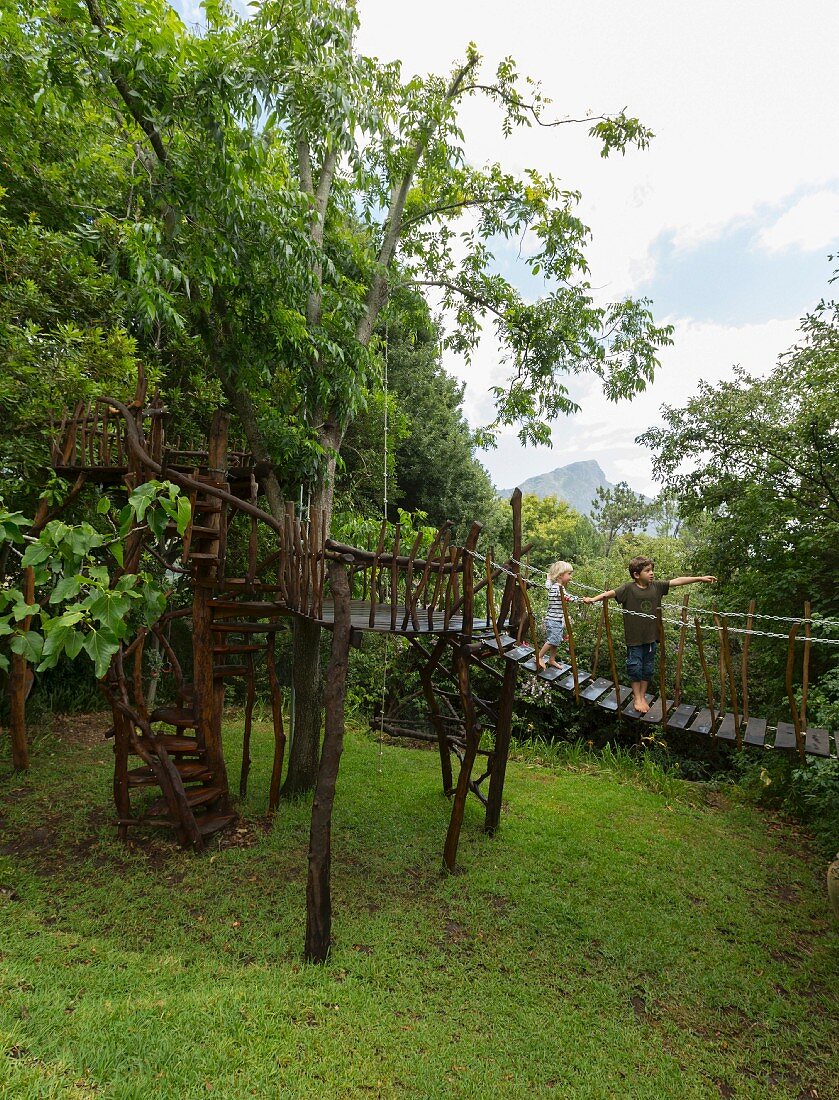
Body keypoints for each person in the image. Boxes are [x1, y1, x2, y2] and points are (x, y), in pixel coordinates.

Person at [582, 557, 716, 713]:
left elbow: (677, 581)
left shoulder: (656, 587)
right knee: (635, 666)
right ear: (636, 574)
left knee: (648, 668)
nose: (651, 573)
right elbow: (610, 594)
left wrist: (699, 578)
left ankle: (642, 695)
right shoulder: (628, 589)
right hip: (634, 639)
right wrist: (592, 599)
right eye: (647, 571)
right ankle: (637, 697)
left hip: (651, 637)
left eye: (652, 570)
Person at [537, 560, 579, 671]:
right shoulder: (557, 588)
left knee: (556, 640)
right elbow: (566, 597)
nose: (571, 577)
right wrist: (579, 599)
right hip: (554, 619)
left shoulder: (553, 585)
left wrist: (548, 578)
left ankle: (551, 659)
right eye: (569, 574)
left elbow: (547, 585)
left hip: (556, 619)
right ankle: (539, 657)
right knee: (553, 639)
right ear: (560, 575)